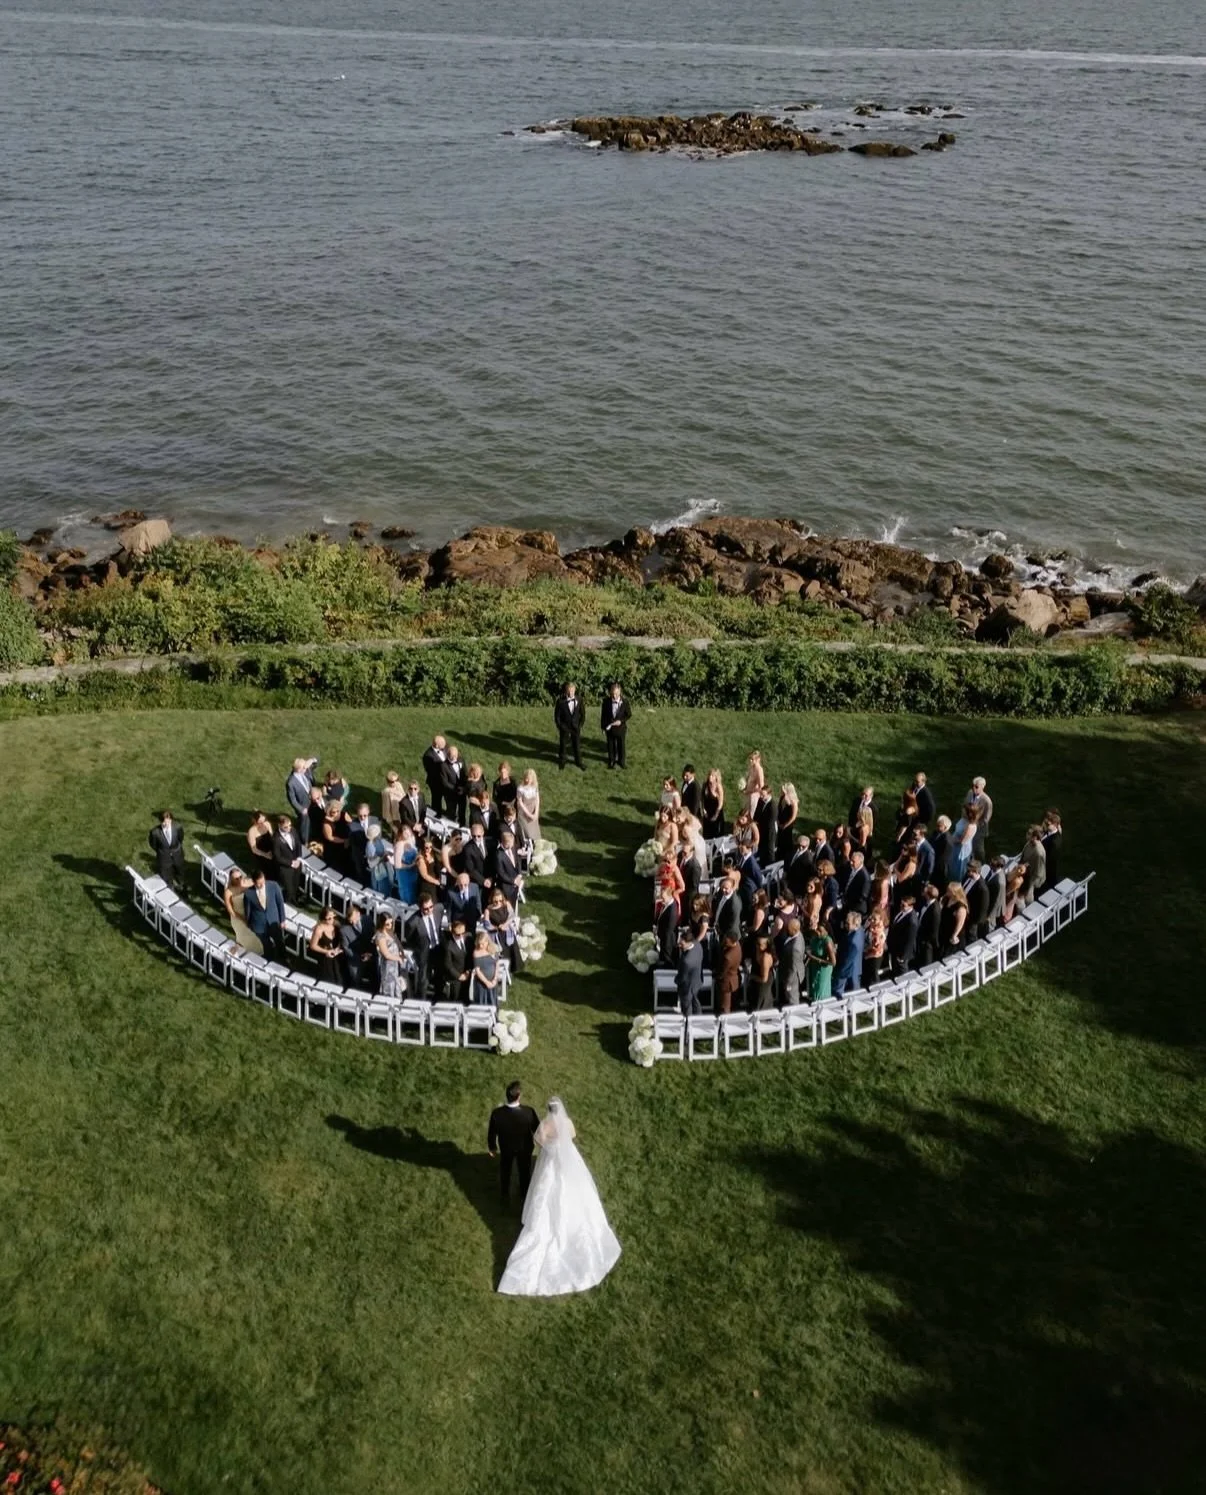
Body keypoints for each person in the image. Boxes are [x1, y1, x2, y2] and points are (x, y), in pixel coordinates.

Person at [498, 1096, 623, 1299]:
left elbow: (538, 1140)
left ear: (548, 1110)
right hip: (568, 1158)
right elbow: (572, 1136)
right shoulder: (567, 1123)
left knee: (546, 1190)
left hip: (551, 1161)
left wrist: (549, 1147)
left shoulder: (545, 1125)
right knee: (572, 1190)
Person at [488, 1081, 541, 1207]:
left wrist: (493, 1147)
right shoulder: (529, 1112)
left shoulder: (497, 1113)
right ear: (518, 1096)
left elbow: (492, 1132)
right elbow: (538, 1129)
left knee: (505, 1170)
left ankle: (505, 1196)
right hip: (525, 1149)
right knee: (524, 1172)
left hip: (506, 1148)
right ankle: (524, 1196)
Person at [243, 869, 287, 963]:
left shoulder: (273, 886)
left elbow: (280, 903)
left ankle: (284, 959)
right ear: (254, 883)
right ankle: (270, 961)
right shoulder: (248, 893)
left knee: (280, 941)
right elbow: (248, 911)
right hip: (259, 925)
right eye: (259, 883)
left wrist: (282, 919)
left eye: (263, 882)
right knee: (266, 945)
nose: (262, 885)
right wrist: (250, 925)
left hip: (274, 921)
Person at [406, 893, 443, 997]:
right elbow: (409, 939)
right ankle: (421, 1002)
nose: (430, 910)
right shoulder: (413, 922)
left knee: (439, 976)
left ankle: (439, 999)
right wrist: (418, 949)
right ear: (420, 908)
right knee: (423, 980)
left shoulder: (438, 909)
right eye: (426, 909)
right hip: (424, 953)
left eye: (431, 907)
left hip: (438, 949)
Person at [223, 871, 262, 955]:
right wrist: (242, 919)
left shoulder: (249, 882)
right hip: (237, 916)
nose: (239, 879)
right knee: (246, 935)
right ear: (232, 880)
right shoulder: (228, 891)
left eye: (240, 877)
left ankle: (257, 951)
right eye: (236, 878)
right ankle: (249, 953)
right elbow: (230, 910)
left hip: (250, 912)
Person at [148, 810, 185, 888]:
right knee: (167, 876)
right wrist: (163, 851)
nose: (166, 824)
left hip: (177, 854)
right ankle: (170, 888)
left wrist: (175, 849)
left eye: (168, 822)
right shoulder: (155, 832)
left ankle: (181, 885)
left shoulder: (177, 827)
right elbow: (153, 845)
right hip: (164, 857)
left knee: (180, 871)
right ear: (160, 821)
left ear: (171, 819)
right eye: (164, 822)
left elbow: (180, 838)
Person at [833, 912, 865, 995]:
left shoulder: (853, 941)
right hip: (856, 968)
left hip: (847, 969)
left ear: (856, 925)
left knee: (840, 992)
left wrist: (839, 972)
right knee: (855, 991)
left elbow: (847, 960)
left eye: (848, 923)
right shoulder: (860, 930)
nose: (845, 925)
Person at [778, 917, 808, 1006]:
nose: (786, 930)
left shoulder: (795, 948)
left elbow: (793, 969)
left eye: (788, 929)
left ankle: (794, 1016)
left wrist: (788, 982)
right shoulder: (799, 934)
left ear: (795, 930)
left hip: (793, 977)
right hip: (790, 967)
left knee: (792, 998)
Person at [374, 913, 405, 999]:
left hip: (395, 965)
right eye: (387, 924)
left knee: (397, 984)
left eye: (391, 923)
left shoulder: (391, 932)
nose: (390, 926)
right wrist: (398, 958)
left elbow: (397, 943)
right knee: (389, 986)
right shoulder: (380, 936)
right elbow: (386, 954)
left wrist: (401, 953)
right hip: (387, 966)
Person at [272, 815, 302, 903]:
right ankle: (288, 900)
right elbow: (277, 857)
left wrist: (299, 859)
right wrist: (291, 863)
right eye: (286, 827)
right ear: (279, 825)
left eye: (290, 825)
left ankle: (295, 898)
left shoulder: (293, 830)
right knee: (289, 887)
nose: (289, 828)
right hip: (285, 867)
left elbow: (298, 844)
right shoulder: (276, 839)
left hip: (297, 862)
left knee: (296, 883)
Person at [340, 902, 370, 989]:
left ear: (358, 914)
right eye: (350, 921)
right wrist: (360, 957)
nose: (353, 923)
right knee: (356, 982)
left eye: (354, 920)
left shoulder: (368, 920)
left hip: (370, 955)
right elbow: (346, 948)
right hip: (355, 959)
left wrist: (370, 953)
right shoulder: (344, 930)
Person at [675, 928, 705, 1016]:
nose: (679, 945)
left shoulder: (686, 961)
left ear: (689, 943)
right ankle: (699, 1020)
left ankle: (688, 1023)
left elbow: (682, 977)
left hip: (687, 986)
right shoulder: (698, 945)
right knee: (695, 1001)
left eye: (681, 944)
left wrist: (676, 981)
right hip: (697, 981)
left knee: (686, 1007)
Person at [309, 907, 343, 986]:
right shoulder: (319, 929)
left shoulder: (336, 924)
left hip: (336, 955)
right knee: (329, 980)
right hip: (325, 957)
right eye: (329, 918)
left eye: (333, 917)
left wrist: (338, 947)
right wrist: (326, 952)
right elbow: (313, 945)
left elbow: (342, 938)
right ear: (324, 919)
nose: (332, 919)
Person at [554, 681, 584, 769]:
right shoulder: (560, 701)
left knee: (577, 745)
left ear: (575, 690)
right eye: (569, 691)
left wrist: (580, 725)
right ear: (566, 691)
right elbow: (557, 716)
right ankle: (562, 761)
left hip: (575, 726)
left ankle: (579, 762)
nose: (571, 693)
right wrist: (560, 726)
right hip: (565, 727)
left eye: (572, 691)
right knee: (563, 745)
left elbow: (582, 714)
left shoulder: (579, 699)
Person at [887, 894, 919, 977]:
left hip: (902, 952)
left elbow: (910, 940)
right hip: (895, 947)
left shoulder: (912, 921)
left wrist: (903, 956)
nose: (901, 906)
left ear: (911, 906)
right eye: (901, 904)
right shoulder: (902, 912)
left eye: (903, 905)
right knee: (895, 969)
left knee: (902, 970)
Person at [601, 681, 631, 768]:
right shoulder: (606, 702)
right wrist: (603, 727)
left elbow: (628, 714)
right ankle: (612, 760)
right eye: (613, 694)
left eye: (616, 694)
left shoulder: (625, 702)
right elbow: (603, 715)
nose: (614, 696)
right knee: (610, 745)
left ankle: (621, 761)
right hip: (610, 727)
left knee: (621, 745)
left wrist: (621, 721)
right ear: (610, 692)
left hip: (621, 728)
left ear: (620, 692)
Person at [286, 756, 319, 832]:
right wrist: (301, 809)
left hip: (314, 801)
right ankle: (305, 840)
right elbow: (292, 799)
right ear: (299, 769)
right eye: (304, 767)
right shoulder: (291, 783)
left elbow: (317, 761)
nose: (306, 768)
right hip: (304, 806)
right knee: (305, 824)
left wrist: (312, 760)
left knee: (315, 817)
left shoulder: (306, 771)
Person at [442, 917, 473, 1000]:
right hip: (456, 979)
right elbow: (448, 965)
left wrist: (469, 971)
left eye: (463, 933)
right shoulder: (449, 946)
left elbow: (471, 956)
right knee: (456, 1000)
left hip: (468, 974)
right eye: (458, 934)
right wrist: (459, 976)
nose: (461, 936)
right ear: (452, 933)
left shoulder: (469, 938)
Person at [964, 777, 993, 860]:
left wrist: (974, 825)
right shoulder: (970, 793)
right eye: (972, 786)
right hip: (967, 824)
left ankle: (981, 863)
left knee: (978, 849)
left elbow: (986, 819)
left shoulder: (987, 801)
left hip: (979, 829)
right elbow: (964, 806)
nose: (974, 788)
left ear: (982, 787)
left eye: (976, 787)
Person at [807, 921, 837, 1001]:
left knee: (821, 991)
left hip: (823, 970)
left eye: (820, 931)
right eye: (817, 929)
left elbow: (833, 962)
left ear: (826, 932)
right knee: (814, 989)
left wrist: (815, 959)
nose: (818, 932)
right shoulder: (815, 937)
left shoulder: (827, 942)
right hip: (814, 968)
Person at [948, 806, 978, 884]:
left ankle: (956, 882)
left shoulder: (970, 826)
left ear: (970, 813)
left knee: (957, 867)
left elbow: (962, 841)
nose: (962, 812)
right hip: (954, 845)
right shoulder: (963, 819)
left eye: (964, 811)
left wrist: (950, 839)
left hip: (961, 848)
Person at [746, 933, 776, 1012]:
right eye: (757, 943)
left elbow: (764, 979)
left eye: (761, 944)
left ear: (767, 945)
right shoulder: (757, 950)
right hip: (756, 978)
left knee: (762, 1000)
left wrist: (751, 977)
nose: (758, 946)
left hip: (763, 981)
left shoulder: (765, 957)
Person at [470, 931, 501, 1006]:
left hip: (493, 981)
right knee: (482, 1001)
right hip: (482, 983)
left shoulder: (492, 950)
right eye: (479, 944)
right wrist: (487, 982)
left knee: (492, 1000)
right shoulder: (476, 952)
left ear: (487, 942)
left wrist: (494, 979)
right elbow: (477, 971)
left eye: (482, 944)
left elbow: (496, 965)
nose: (480, 946)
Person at [915, 883, 942, 968]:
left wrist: (926, 941)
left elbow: (934, 929)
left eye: (924, 892)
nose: (922, 893)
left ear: (928, 895)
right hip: (921, 936)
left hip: (927, 942)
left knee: (926, 964)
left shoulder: (935, 910)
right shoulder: (925, 902)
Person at [1020, 825, 1047, 906]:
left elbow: (1038, 872)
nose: (1026, 835)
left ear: (1035, 837)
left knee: (1028, 896)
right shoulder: (1029, 843)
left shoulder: (1038, 853)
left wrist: (1029, 885)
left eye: (1029, 834)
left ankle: (1029, 908)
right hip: (1025, 872)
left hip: (1032, 878)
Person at [939, 883, 969, 957]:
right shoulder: (947, 899)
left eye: (949, 891)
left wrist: (954, 935)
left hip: (953, 933)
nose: (947, 892)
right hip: (945, 931)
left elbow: (960, 923)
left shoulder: (960, 907)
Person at [716, 934, 743, 1014]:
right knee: (733, 1003)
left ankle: (724, 1022)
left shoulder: (728, 957)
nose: (725, 942)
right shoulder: (737, 945)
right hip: (734, 980)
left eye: (727, 942)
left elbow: (722, 972)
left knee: (725, 1006)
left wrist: (717, 977)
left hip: (727, 983)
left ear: (732, 942)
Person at [422, 735, 448, 816]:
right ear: (436, 745)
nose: (445, 746)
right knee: (436, 800)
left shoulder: (445, 747)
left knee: (448, 798)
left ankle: (449, 813)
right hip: (436, 782)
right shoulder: (428, 756)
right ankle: (436, 816)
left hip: (446, 780)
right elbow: (432, 772)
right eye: (442, 745)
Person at [363, 822, 391, 896]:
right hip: (377, 872)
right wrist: (383, 857)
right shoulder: (370, 846)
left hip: (384, 869)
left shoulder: (378, 841)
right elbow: (372, 862)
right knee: (380, 891)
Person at [862, 910, 888, 987]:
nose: (872, 920)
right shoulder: (870, 927)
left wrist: (865, 949)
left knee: (873, 974)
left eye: (875, 919)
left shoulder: (880, 932)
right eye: (871, 918)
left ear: (880, 920)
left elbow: (876, 947)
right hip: (867, 953)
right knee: (867, 974)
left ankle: (876, 990)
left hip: (874, 956)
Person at [775, 783, 799, 864]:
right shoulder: (782, 798)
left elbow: (793, 817)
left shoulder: (794, 802)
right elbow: (779, 809)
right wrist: (778, 821)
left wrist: (785, 825)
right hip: (780, 823)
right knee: (780, 841)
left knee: (786, 841)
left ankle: (786, 859)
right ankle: (779, 856)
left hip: (787, 826)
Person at [700, 769, 726, 840]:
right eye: (709, 775)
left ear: (716, 777)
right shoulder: (705, 785)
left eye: (712, 775)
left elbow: (720, 803)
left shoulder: (718, 787)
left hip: (716, 812)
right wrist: (704, 810)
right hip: (707, 812)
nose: (710, 777)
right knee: (706, 832)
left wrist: (716, 815)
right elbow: (702, 799)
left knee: (716, 833)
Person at [516, 769, 541, 845]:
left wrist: (535, 814)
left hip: (533, 814)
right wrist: (529, 815)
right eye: (526, 778)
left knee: (536, 835)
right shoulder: (520, 788)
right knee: (528, 835)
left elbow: (537, 800)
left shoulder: (535, 787)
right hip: (524, 815)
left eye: (529, 778)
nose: (527, 780)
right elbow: (520, 803)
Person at [1041, 810, 1062, 891]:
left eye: (1050, 824)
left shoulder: (1055, 841)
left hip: (1049, 867)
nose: (1047, 824)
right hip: (1046, 864)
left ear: (1055, 825)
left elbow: (1051, 858)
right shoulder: (1048, 832)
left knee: (1050, 883)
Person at [381, 770, 406, 837]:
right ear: (388, 782)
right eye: (392, 781)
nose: (395, 782)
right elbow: (386, 807)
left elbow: (404, 795)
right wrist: (390, 822)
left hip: (404, 812)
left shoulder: (399, 785)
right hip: (396, 817)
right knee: (400, 834)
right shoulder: (386, 792)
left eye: (397, 780)